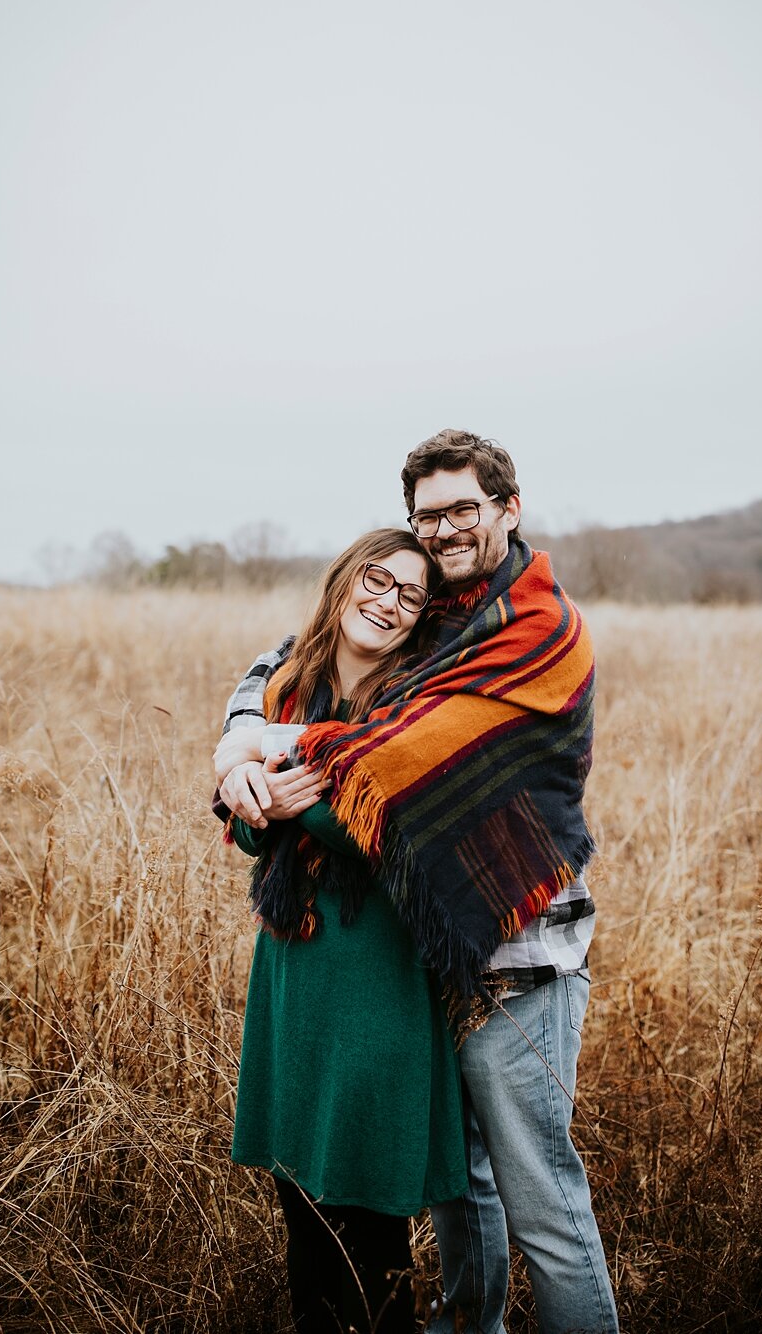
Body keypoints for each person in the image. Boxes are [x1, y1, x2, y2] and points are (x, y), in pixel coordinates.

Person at [216, 430, 620, 1334]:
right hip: (431, 951)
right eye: (426, 515)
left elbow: (392, 765)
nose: (441, 531)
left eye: (461, 510)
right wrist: (240, 739)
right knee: (460, 1191)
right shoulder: (431, 615)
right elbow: (293, 658)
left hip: (521, 956)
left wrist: (275, 776)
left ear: (507, 509)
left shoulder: (537, 629)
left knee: (542, 1205)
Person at [212, 527, 468, 1334]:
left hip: (377, 977)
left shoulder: (420, 702)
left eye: (409, 596)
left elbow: (398, 834)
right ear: (344, 579)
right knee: (303, 1220)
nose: (387, 602)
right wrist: (252, 792)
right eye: (376, 580)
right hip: (292, 969)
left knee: (371, 1230)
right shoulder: (286, 685)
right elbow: (248, 829)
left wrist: (294, 795)